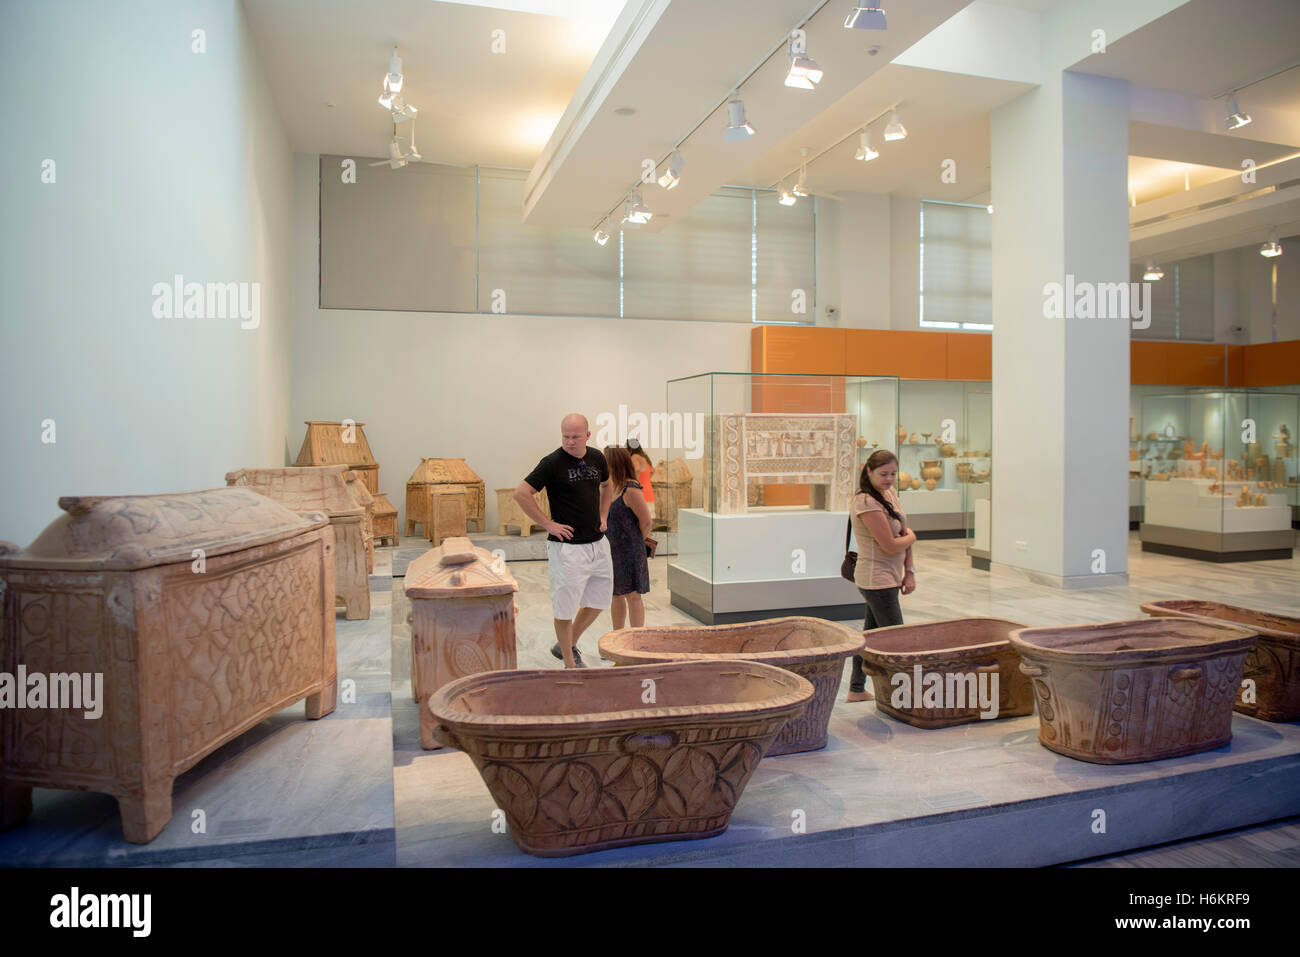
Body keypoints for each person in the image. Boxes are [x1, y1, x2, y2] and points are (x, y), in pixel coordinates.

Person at [514, 414, 614, 669]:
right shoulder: (552, 462)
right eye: (565, 436)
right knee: (565, 608)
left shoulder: (597, 457)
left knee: (597, 602)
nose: (570, 442)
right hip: (567, 549)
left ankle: (566, 645)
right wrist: (547, 524)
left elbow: (608, 485)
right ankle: (570, 665)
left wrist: (604, 515)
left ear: (587, 436)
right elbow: (521, 493)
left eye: (575, 437)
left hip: (598, 544)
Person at [845, 449, 917, 702]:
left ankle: (856, 689)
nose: (889, 479)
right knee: (897, 640)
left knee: (869, 636)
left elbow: (903, 533)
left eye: (893, 474)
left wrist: (909, 571)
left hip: (890, 576)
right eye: (883, 474)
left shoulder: (888, 494)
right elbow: (890, 544)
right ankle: (904, 696)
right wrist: (913, 537)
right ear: (868, 472)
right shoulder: (865, 501)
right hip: (876, 578)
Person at [603, 446, 653, 629]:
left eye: (605, 461)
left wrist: (637, 540)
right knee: (616, 595)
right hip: (613, 550)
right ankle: (618, 638)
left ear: (614, 463)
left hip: (630, 550)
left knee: (633, 595)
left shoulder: (631, 489)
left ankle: (636, 640)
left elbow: (646, 521)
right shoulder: (611, 487)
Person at [626, 438, 655, 508]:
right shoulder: (645, 457)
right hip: (649, 492)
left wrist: (635, 482)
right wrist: (645, 480)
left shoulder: (634, 457)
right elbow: (652, 471)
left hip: (640, 492)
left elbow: (637, 469)